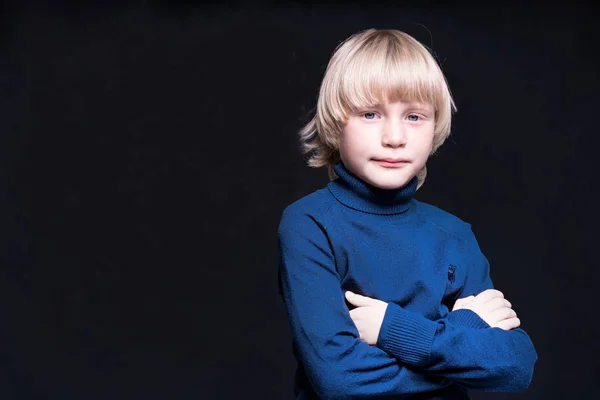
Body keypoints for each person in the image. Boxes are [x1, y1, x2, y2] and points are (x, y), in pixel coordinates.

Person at [277, 28, 538, 400]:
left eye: (414, 116)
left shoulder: (453, 234)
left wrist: (391, 329)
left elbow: (515, 367)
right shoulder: (310, 224)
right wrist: (464, 329)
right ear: (336, 124)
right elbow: (341, 381)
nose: (395, 137)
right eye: (370, 114)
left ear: (434, 128)